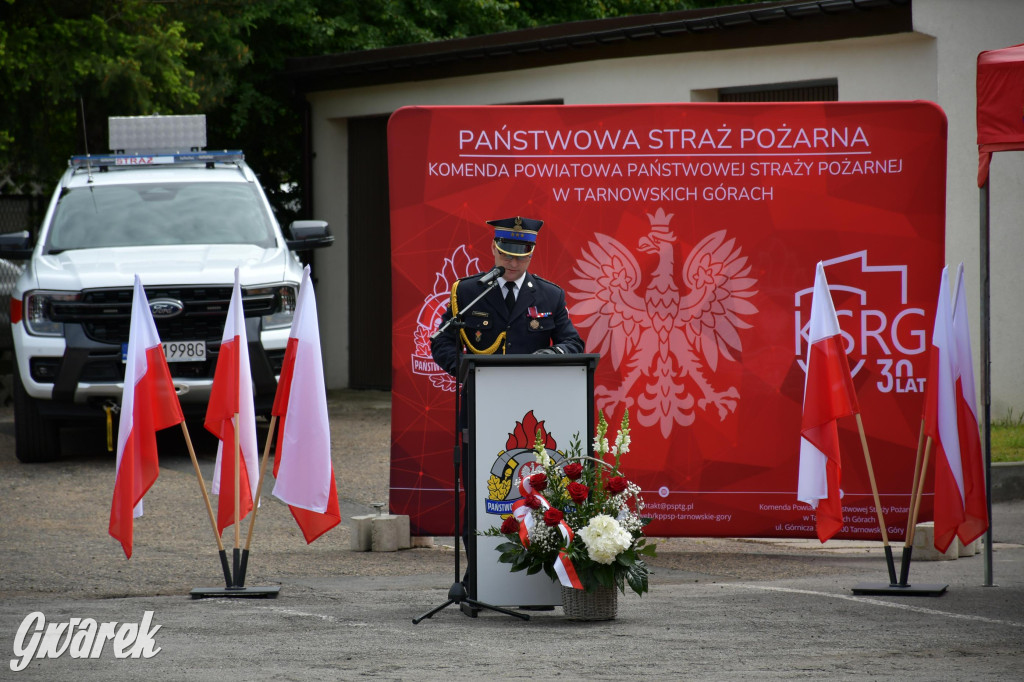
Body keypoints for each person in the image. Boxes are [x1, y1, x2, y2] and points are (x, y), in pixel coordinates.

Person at [431, 215, 584, 376]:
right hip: (482, 391)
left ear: (531, 254)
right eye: (507, 255)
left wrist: (552, 354)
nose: (513, 264)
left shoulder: (551, 295)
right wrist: (469, 372)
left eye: (521, 257)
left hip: (533, 388)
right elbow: (442, 341)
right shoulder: (468, 291)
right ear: (493, 248)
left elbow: (573, 343)